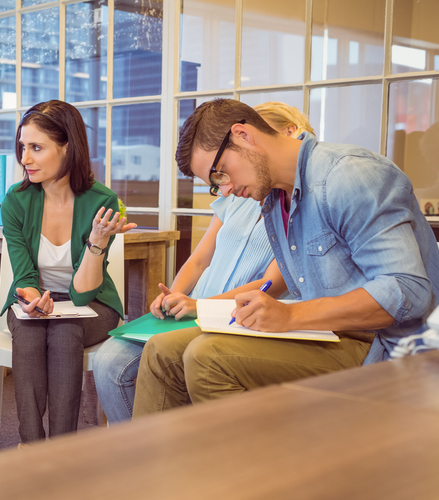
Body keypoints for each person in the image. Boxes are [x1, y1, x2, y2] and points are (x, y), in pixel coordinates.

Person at [132, 98, 439, 417]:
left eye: (220, 174)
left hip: (378, 345)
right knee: (162, 350)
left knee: (207, 356)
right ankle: (162, 466)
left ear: (243, 135)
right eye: (215, 186)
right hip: (323, 333)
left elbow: (409, 290)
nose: (224, 191)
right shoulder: (275, 198)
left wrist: (291, 317)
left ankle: (264, 466)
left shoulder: (349, 174)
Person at [93, 102, 312, 423]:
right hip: (195, 308)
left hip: (227, 313)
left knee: (128, 364)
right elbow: (198, 260)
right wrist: (173, 297)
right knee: (109, 358)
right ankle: (139, 453)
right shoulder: (233, 198)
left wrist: (200, 305)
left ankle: (155, 452)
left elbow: (273, 284)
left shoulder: (291, 203)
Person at [0, 100, 135, 443]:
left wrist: (97, 242)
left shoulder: (101, 201)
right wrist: (30, 300)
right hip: (33, 301)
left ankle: (61, 448)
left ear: (67, 147)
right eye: (22, 147)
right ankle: (31, 444)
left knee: (64, 331)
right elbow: (24, 275)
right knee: (30, 333)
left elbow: (83, 294)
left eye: (36, 148)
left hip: (93, 305)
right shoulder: (16, 200)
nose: (25, 158)